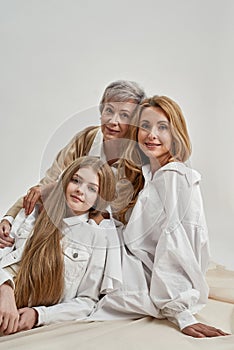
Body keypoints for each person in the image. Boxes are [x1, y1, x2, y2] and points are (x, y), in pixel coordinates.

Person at [90, 95, 229, 338]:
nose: (151, 134)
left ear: (175, 134)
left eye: (161, 127)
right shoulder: (147, 175)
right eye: (145, 126)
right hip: (132, 264)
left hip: (147, 278)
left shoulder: (175, 177)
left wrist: (181, 313)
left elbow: (177, 247)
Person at [0, 80, 146, 247]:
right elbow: (46, 186)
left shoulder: (138, 159)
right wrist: (9, 218)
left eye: (124, 115)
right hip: (63, 224)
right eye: (109, 110)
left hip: (104, 240)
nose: (113, 121)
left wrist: (59, 191)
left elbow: (119, 217)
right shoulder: (86, 139)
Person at [0, 156, 122, 335]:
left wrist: (39, 315)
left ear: (98, 199)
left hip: (20, 317)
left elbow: (87, 301)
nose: (80, 190)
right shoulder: (35, 212)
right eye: (76, 180)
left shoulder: (97, 238)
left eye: (91, 188)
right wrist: (5, 288)